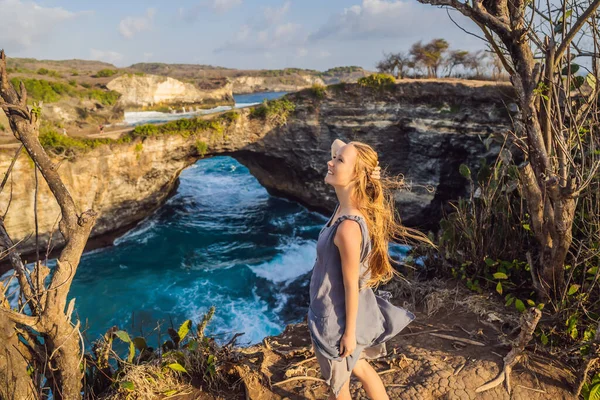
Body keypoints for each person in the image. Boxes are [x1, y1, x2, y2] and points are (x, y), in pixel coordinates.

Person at [308, 138, 431, 399]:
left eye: (339, 161)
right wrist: (358, 163)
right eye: (335, 157)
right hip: (348, 313)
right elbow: (336, 144)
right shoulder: (346, 207)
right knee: (360, 367)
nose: (330, 162)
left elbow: (352, 285)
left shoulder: (348, 227)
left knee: (338, 389)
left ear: (355, 175)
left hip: (337, 321)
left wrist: (348, 335)